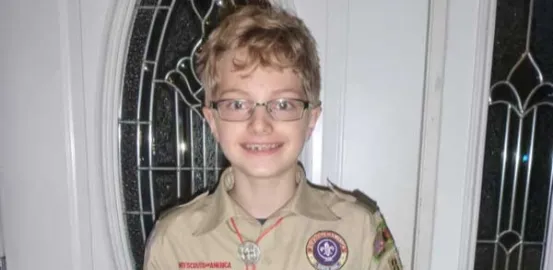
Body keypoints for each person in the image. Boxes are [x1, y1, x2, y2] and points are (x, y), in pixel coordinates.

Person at [143, 3, 403, 270]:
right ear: (213, 121)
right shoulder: (174, 240)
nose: (260, 125)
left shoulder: (358, 229)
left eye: (282, 105)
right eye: (237, 104)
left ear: (311, 119)